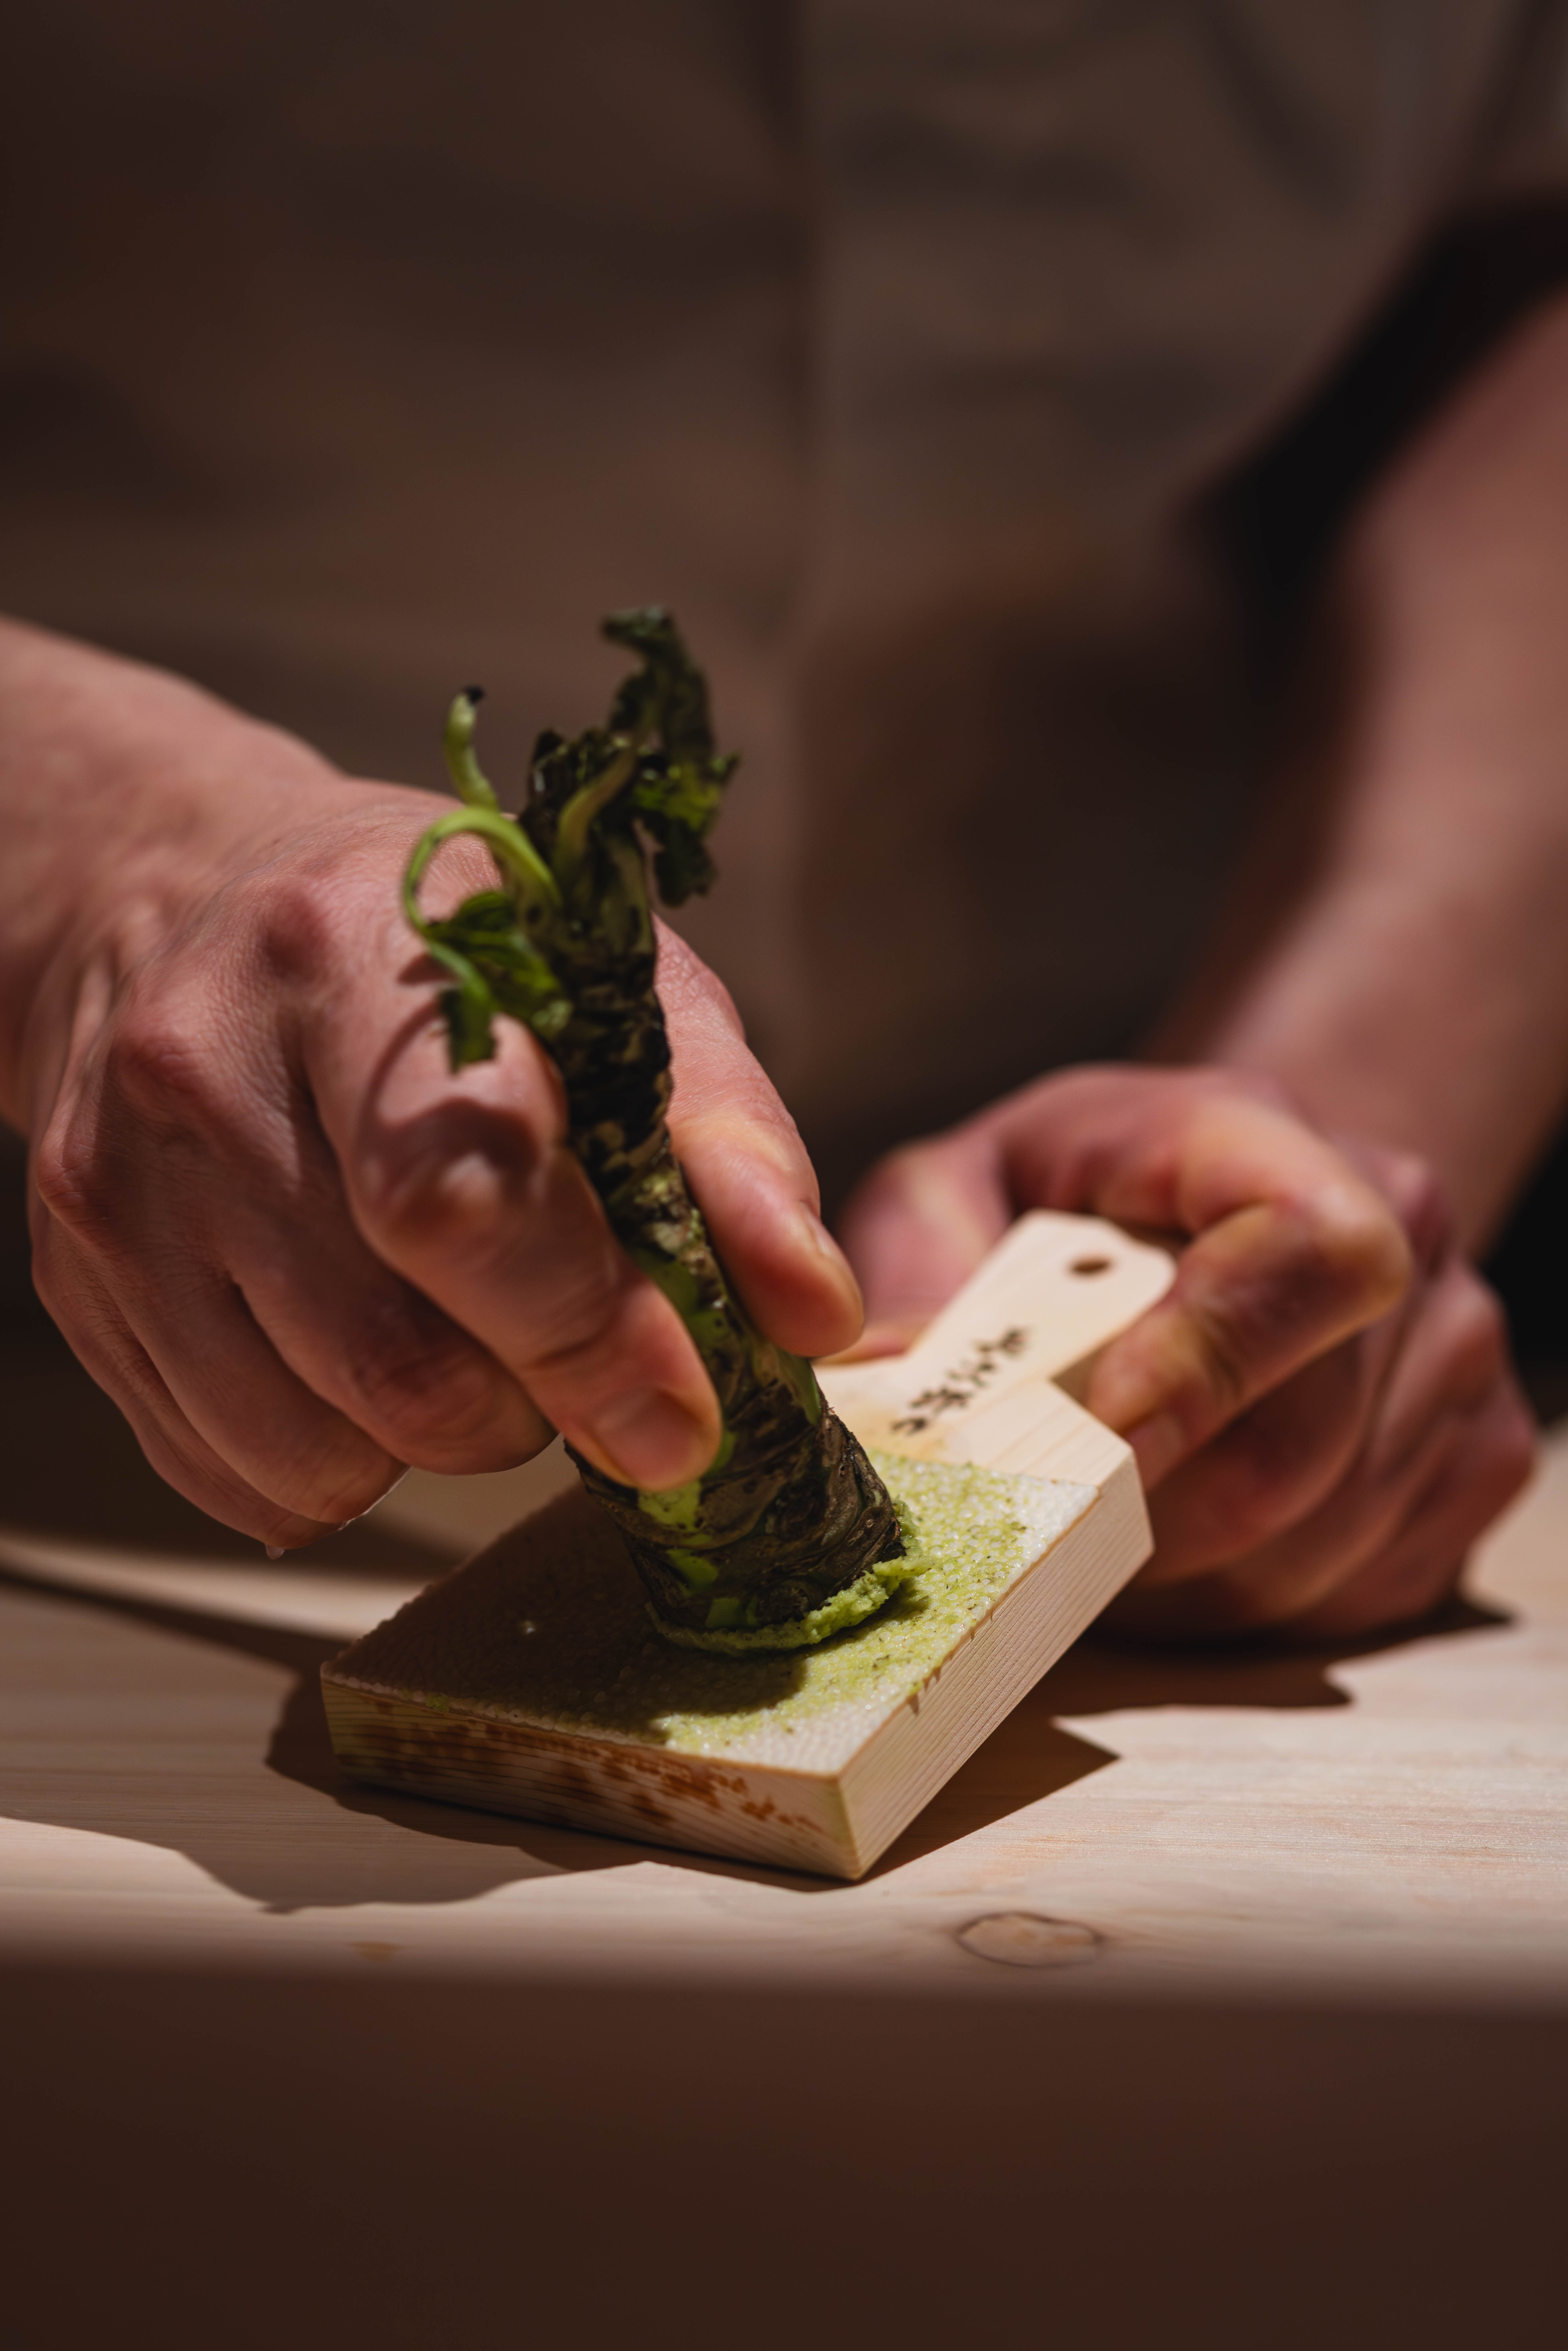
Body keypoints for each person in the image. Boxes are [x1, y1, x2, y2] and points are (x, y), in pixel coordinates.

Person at [2, 1, 1563, 1640]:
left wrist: (1301, 1172)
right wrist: (106, 884)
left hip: (1091, 1070)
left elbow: (1529, 269)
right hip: (92, 1391)